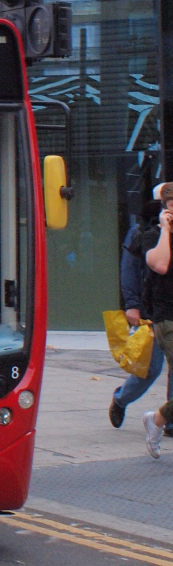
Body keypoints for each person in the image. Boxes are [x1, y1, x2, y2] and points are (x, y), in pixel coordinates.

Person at [111, 199, 171, 428]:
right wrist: (132, 304)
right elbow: (129, 269)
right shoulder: (142, 232)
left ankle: (169, 420)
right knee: (150, 369)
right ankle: (121, 399)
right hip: (152, 310)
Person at [140, 182, 173, 457]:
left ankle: (157, 420)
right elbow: (160, 265)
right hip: (167, 320)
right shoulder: (152, 236)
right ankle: (158, 421)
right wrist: (165, 229)